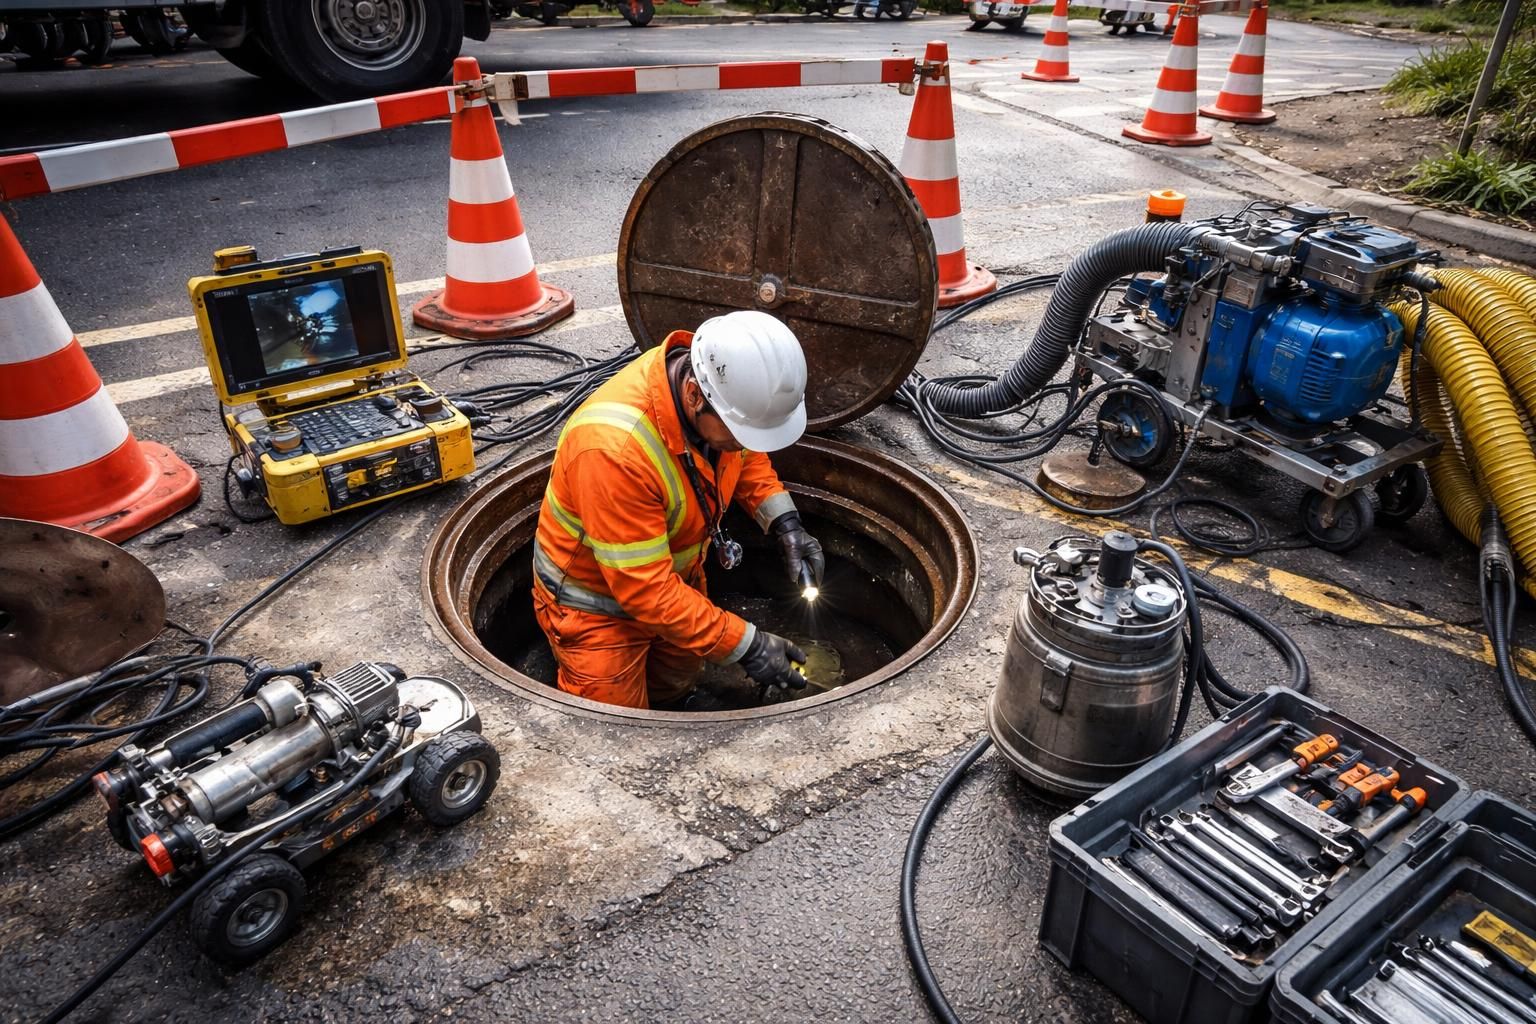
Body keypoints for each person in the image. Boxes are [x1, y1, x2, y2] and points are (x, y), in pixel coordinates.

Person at [531, 310, 826, 709]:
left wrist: (785, 523)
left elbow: (743, 455)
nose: (743, 444)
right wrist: (749, 645)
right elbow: (646, 592)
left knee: (676, 683)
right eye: (739, 435)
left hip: (677, 586)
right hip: (597, 614)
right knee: (617, 725)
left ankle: (672, 702)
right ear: (692, 395)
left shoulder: (714, 397)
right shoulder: (613, 451)